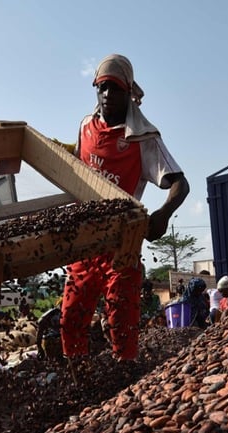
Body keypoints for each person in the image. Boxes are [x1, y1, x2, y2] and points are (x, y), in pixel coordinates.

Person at [60, 54, 190, 375]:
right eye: (101, 88)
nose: (107, 96)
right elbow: (77, 172)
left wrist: (161, 215)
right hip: (86, 242)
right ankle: (80, 379)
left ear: (129, 93)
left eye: (114, 90)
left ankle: (126, 379)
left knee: (122, 316)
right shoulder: (85, 128)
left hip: (122, 245)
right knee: (71, 316)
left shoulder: (142, 138)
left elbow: (180, 185)